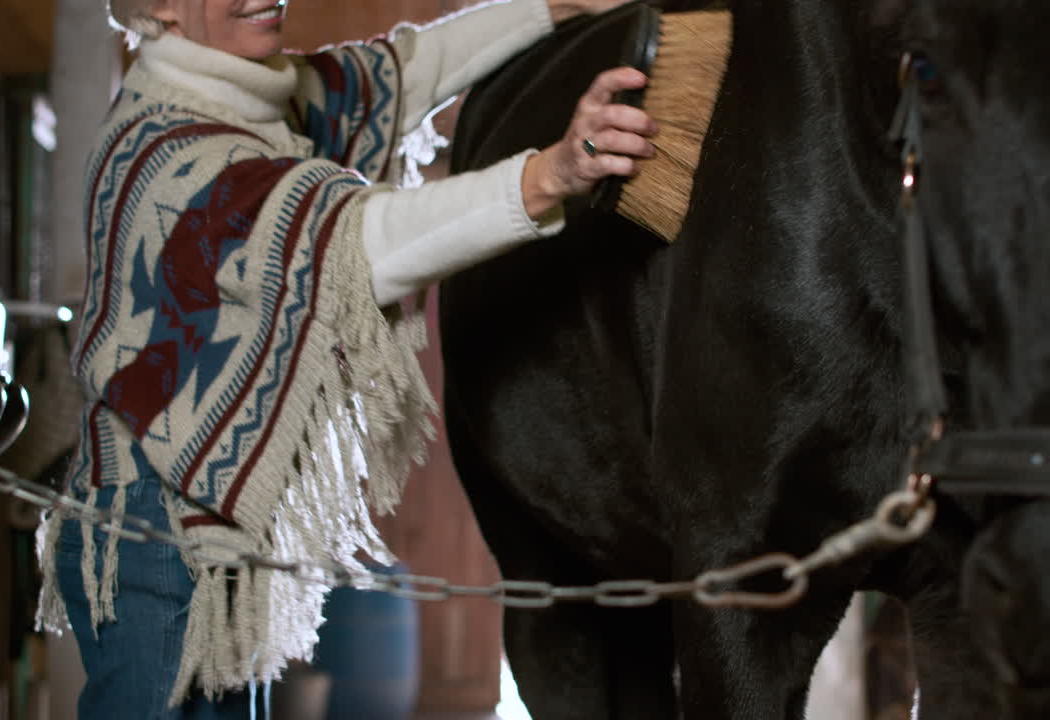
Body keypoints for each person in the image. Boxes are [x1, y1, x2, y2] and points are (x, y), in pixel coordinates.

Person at [34, 0, 658, 716]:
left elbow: (406, 70)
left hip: (217, 526)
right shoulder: (165, 152)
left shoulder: (259, 95)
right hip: (154, 538)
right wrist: (547, 177)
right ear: (161, 7)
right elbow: (357, 245)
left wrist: (556, 5)